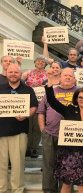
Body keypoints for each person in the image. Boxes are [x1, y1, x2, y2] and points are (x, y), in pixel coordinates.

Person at [45, 68, 83, 193]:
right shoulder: (69, 110)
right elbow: (52, 101)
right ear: (76, 99)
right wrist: (50, 80)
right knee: (66, 184)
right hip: (68, 153)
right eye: (80, 97)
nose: (82, 99)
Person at [37, 67, 78, 193]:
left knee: (68, 166)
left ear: (74, 79)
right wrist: (43, 130)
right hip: (51, 134)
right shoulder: (51, 92)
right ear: (59, 78)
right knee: (49, 165)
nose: (67, 77)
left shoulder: (80, 93)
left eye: (70, 76)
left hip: (71, 136)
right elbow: (41, 112)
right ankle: (49, 189)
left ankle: (65, 190)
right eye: (65, 75)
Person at [0, 64, 38, 193]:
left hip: (19, 131)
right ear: (6, 73)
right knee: (1, 164)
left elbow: (34, 106)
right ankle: (2, 189)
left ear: (20, 73)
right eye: (10, 72)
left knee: (18, 164)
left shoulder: (28, 89)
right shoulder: (0, 88)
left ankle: (17, 189)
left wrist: (27, 114)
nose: (13, 74)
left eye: (16, 72)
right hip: (1, 131)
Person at [22, 55, 48, 158]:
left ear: (45, 64)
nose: (40, 63)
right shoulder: (29, 72)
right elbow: (20, 81)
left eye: (43, 61)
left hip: (42, 103)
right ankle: (27, 148)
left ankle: (34, 148)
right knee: (28, 126)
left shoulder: (48, 74)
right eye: (38, 61)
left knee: (37, 127)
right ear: (35, 62)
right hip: (29, 102)